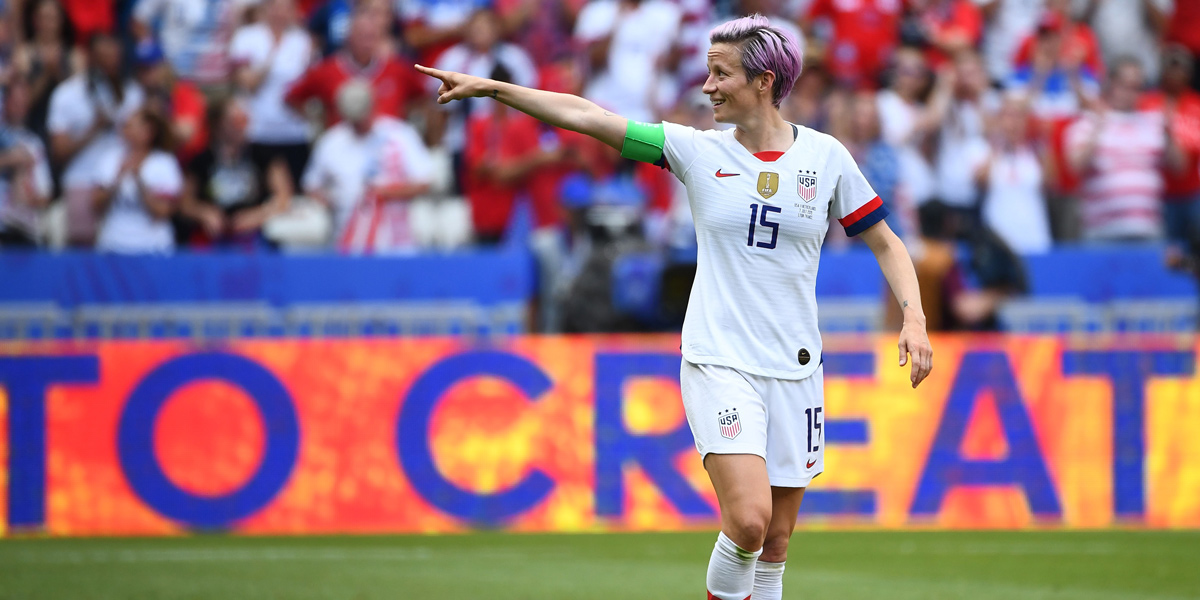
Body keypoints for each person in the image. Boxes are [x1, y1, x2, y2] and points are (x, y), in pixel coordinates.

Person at [418, 14, 932, 600]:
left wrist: (914, 318)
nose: (707, 87)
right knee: (748, 523)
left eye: (721, 74)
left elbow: (887, 243)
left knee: (778, 545)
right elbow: (591, 117)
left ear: (764, 82)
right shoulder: (693, 151)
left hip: (796, 368)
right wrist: (494, 89)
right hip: (720, 360)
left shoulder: (827, 158)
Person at [302, 80, 433, 252]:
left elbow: (425, 182)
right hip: (347, 239)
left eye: (361, 116)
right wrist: (332, 202)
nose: (358, 124)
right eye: (353, 119)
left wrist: (383, 193)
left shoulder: (400, 135)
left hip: (396, 242)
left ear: (373, 106)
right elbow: (311, 184)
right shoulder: (331, 142)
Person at [47, 32, 144, 247]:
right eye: (102, 57)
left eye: (113, 56)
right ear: (90, 57)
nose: (108, 63)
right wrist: (94, 130)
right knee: (83, 248)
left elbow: (144, 140)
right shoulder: (67, 93)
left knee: (123, 246)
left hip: (121, 182)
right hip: (82, 179)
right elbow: (58, 151)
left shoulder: (132, 93)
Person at [229, 0, 314, 190]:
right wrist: (270, 59)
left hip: (294, 131)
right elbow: (246, 82)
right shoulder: (247, 37)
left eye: (286, 8)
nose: (280, 14)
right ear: (266, 8)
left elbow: (309, 84)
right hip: (257, 130)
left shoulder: (302, 40)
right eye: (276, 7)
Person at [91, 108, 183, 254]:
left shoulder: (164, 163)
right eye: (124, 126)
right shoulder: (109, 159)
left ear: (149, 132)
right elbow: (95, 205)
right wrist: (117, 179)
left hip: (152, 246)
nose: (125, 130)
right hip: (113, 244)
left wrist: (139, 182)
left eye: (130, 126)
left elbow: (163, 211)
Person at [0, 80, 54, 247]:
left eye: (23, 102)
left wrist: (29, 200)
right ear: (5, 103)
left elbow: (45, 194)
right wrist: (9, 159)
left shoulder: (34, 143)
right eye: (15, 102)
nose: (19, 107)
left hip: (22, 230)